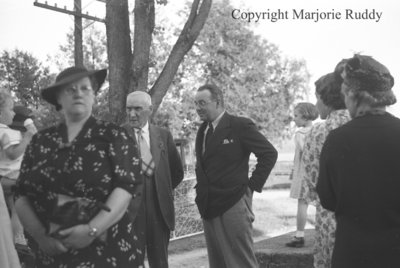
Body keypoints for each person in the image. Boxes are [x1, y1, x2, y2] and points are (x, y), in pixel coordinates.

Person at [14, 66, 144, 267]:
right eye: (70, 89)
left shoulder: (114, 136)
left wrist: (91, 230)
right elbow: (21, 195)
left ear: (93, 95)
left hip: (110, 255)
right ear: (58, 98)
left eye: (85, 88)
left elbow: (125, 189)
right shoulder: (40, 141)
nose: (78, 93)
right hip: (53, 256)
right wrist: (41, 237)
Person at [317, 55, 400, 268]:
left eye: (345, 95)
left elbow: (327, 198)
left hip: (352, 254)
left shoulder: (337, 139)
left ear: (355, 96)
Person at [194, 84, 278, 268]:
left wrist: (251, 187)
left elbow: (269, 154)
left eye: (202, 103)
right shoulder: (202, 131)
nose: (198, 108)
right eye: (196, 103)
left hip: (233, 203)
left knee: (241, 263)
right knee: (218, 263)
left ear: (217, 102)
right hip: (208, 205)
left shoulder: (239, 126)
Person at [123, 91, 184, 268]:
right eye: (129, 109)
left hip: (159, 211)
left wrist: (160, 190)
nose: (132, 114)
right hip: (130, 214)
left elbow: (176, 172)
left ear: (150, 110)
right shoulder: (116, 136)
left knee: (160, 263)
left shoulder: (163, 136)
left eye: (137, 109)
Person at [298, 71, 350, 268]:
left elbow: (311, 183)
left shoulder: (317, 132)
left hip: (328, 217)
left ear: (325, 99)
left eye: (317, 97)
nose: (316, 103)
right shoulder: (362, 126)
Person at [286, 102, 318, 248]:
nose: (294, 119)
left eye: (297, 116)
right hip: (317, 171)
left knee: (302, 203)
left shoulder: (300, 134)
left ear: (305, 117)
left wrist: (295, 171)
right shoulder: (319, 130)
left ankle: (300, 235)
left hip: (304, 172)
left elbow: (301, 154)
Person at [0, 88, 22, 268]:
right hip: (12, 178)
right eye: (10, 108)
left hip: (3, 179)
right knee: (17, 209)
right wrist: (28, 138)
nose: (13, 112)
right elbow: (12, 153)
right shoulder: (6, 132)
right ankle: (19, 238)